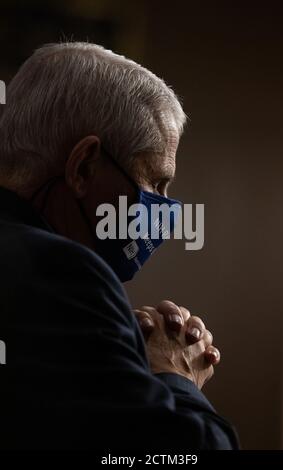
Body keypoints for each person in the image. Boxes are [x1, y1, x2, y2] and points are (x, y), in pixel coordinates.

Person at [0, 42, 238, 450]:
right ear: (84, 166)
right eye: (157, 184)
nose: (163, 210)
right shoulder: (61, 274)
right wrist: (173, 374)